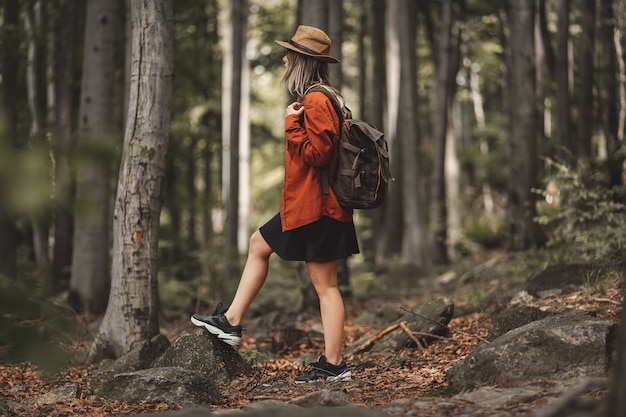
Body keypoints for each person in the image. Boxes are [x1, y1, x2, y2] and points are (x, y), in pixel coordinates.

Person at [191, 25, 358, 384]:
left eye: (289, 53)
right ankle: (232, 321)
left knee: (325, 286)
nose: (284, 58)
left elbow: (318, 154)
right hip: (311, 205)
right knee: (259, 244)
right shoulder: (323, 97)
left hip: (319, 207)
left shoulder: (316, 101)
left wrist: (291, 125)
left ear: (300, 61)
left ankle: (334, 365)